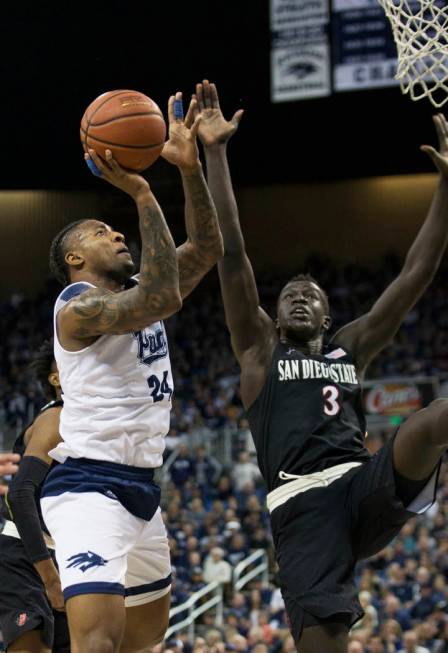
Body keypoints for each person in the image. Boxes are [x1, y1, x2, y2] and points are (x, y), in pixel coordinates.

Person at [194, 79, 448, 653]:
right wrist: (215, 153)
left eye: (311, 294)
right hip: (303, 505)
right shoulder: (260, 353)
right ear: (276, 318)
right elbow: (232, 256)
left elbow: (413, 277)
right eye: (289, 296)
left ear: (329, 316)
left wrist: (446, 189)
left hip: (363, 483)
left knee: (434, 418)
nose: (299, 297)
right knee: (324, 643)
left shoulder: (349, 349)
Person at [40, 91, 223, 653]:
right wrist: (142, 191)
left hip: (144, 486)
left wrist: (190, 168)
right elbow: (165, 297)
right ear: (75, 259)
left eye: (115, 230)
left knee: (143, 643)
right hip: (88, 488)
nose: (117, 234)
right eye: (101, 233)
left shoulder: (140, 291)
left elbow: (209, 246)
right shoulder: (76, 309)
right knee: (97, 644)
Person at [0, 340, 69, 652]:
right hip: (25, 552)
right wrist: (51, 579)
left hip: (65, 556)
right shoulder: (56, 417)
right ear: (56, 378)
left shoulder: (91, 425)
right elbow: (19, 495)